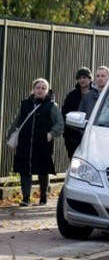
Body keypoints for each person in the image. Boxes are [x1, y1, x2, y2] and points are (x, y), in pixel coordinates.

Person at [6, 78, 64, 206]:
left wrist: (51, 134)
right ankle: (26, 197)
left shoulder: (51, 106)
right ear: (33, 89)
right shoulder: (25, 104)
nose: (40, 90)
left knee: (43, 170)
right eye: (38, 87)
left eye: (43, 88)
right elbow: (17, 121)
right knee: (25, 170)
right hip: (25, 142)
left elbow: (60, 123)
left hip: (43, 143)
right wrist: (10, 136)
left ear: (47, 91)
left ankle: (43, 195)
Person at [62, 67, 97, 158]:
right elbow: (65, 113)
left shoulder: (97, 94)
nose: (82, 80)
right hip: (73, 135)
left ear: (90, 79)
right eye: (79, 78)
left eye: (84, 77)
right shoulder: (72, 95)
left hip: (90, 134)